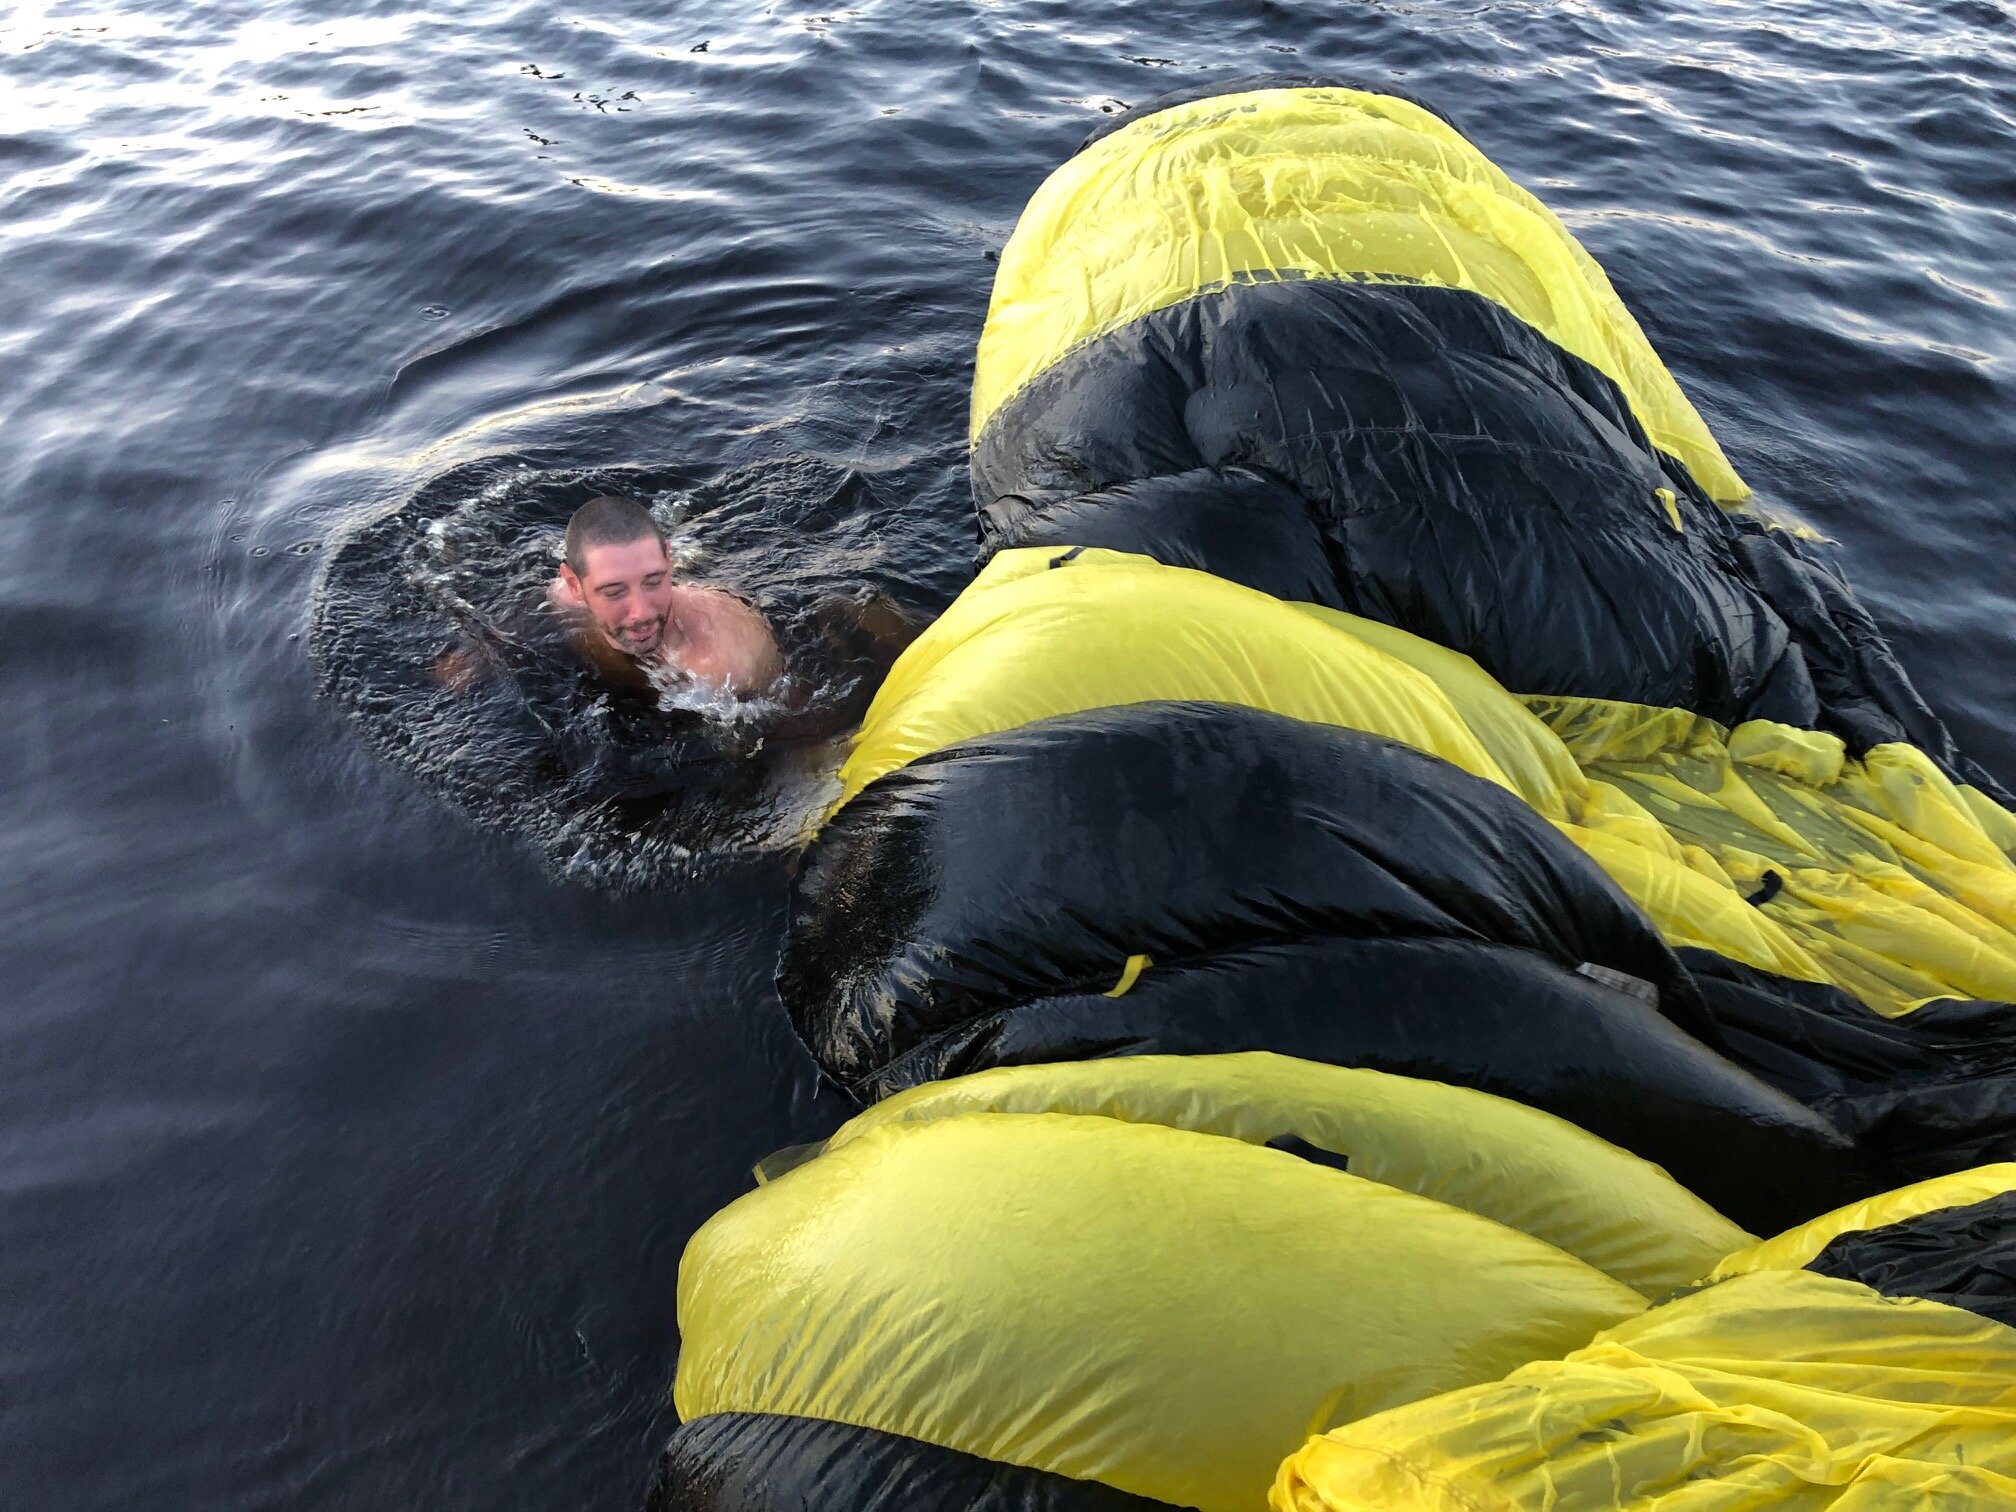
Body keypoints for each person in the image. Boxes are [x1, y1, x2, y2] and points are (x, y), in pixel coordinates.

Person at [546, 495, 785, 697]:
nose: (641, 612)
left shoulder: (721, 667)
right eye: (614, 592)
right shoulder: (564, 600)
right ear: (574, 584)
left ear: (667, 562)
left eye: (653, 582)